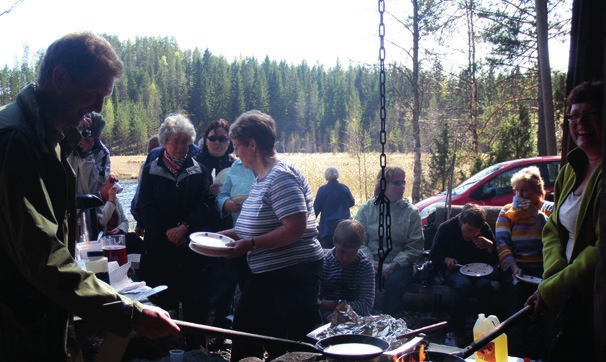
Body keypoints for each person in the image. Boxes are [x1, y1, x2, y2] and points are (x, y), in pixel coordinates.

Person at [0, 31, 179, 361]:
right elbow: (41, 256)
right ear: (60, 78)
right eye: (94, 93)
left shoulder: (47, 138)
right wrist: (129, 314)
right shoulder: (15, 140)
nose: (97, 107)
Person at [220, 110, 325, 361]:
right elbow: (259, 224)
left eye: (237, 146)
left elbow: (295, 227)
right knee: (246, 331)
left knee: (302, 340)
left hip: (294, 272)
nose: (235, 153)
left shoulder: (281, 176)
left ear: (252, 144)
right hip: (268, 271)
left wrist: (251, 243)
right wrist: (222, 237)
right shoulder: (261, 177)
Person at [526, 81, 602, 361]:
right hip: (564, 290)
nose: (580, 123)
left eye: (590, 114)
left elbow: (599, 252)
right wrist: (555, 273)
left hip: (593, 300)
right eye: (573, 115)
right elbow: (553, 227)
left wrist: (553, 289)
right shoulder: (573, 168)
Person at [137, 113, 220, 350]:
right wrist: (168, 233)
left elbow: (207, 206)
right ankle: (163, 353)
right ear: (164, 142)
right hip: (160, 253)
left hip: (192, 254)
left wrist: (185, 228)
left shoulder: (200, 171)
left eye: (185, 142)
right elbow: (146, 208)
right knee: (162, 309)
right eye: (175, 141)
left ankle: (198, 353)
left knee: (197, 311)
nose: (181, 147)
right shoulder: (151, 171)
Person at [495, 166, 553, 357]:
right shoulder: (507, 211)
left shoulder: (549, 211)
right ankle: (515, 351)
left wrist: (537, 216)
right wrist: (513, 267)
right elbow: (502, 244)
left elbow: (555, 235)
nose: (519, 195)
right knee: (516, 293)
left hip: (543, 269)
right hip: (516, 268)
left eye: (524, 190)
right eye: (517, 191)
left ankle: (542, 351)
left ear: (538, 192)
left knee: (546, 296)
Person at [355, 166, 424, 316]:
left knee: (395, 283)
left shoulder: (411, 213)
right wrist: (369, 260)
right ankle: (357, 319)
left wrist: (396, 263)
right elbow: (357, 239)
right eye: (397, 183)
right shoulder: (367, 209)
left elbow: (415, 246)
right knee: (356, 276)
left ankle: (389, 323)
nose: (402, 187)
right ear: (384, 185)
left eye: (404, 182)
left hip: (399, 264)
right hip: (371, 260)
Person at [429, 203, 498, 347]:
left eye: (476, 231)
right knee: (463, 286)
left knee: (485, 287)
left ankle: (487, 333)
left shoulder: (484, 229)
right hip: (454, 269)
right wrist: (446, 260)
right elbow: (434, 254)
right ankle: (455, 331)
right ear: (461, 222)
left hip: (479, 270)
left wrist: (490, 246)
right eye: (469, 230)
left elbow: (495, 259)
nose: (472, 234)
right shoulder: (447, 228)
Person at [320, 219, 375, 323]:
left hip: (357, 316)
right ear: (334, 242)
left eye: (352, 252)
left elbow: (366, 305)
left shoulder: (365, 266)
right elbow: (318, 301)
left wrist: (334, 304)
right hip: (326, 315)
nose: (346, 257)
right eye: (342, 251)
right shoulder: (324, 263)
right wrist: (329, 316)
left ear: (359, 247)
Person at [68, 111, 111, 195]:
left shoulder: (101, 152)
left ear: (97, 135)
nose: (84, 135)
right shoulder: (65, 142)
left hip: (87, 206)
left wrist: (86, 155)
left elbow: (92, 188)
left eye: (91, 133)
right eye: (83, 130)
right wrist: (72, 133)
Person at [314, 166, 356, 248]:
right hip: (344, 226)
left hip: (327, 227)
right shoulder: (344, 188)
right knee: (344, 249)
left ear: (326, 176)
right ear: (337, 175)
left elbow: (316, 208)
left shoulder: (322, 190)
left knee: (329, 251)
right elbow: (351, 203)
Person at [197, 119, 235, 196]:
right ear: (206, 141)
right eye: (213, 138)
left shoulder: (235, 166)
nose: (217, 143)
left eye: (222, 139)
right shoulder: (195, 164)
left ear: (229, 142)